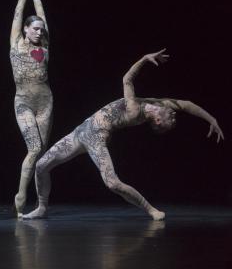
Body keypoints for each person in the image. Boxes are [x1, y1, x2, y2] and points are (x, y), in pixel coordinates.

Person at [24, 49, 224, 220]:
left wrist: (143, 60)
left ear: (157, 121)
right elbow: (186, 105)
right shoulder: (159, 104)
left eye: (170, 119)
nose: (173, 115)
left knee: (112, 183)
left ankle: (151, 210)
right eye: (172, 116)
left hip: (95, 137)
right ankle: (42, 207)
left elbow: (126, 79)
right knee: (41, 166)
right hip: (81, 131)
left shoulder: (135, 110)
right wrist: (211, 119)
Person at [10, 0, 53, 216]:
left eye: (41, 29)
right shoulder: (16, 43)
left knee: (42, 155)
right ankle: (20, 196)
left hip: (45, 101)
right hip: (23, 101)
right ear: (26, 29)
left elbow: (43, 18)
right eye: (35, 28)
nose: (39, 32)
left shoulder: (44, 46)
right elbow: (17, 16)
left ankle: (42, 205)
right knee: (34, 148)